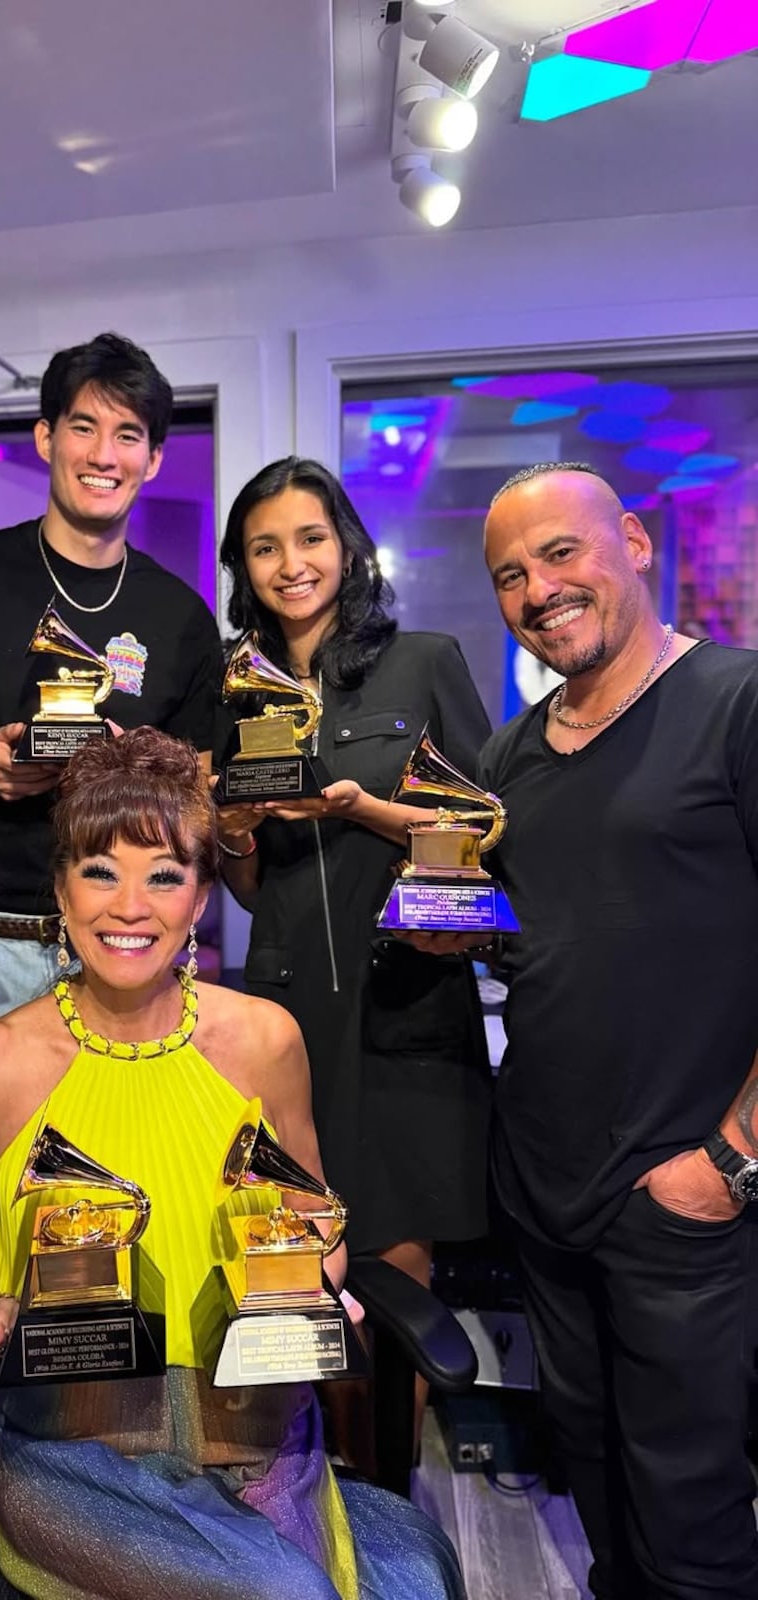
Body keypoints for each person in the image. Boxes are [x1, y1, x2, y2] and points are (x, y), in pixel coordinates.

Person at [0, 728, 465, 1600]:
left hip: (258, 1427)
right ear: (59, 887)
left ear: (202, 897)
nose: (131, 906)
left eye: (164, 874)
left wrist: (314, 1280)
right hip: (74, 1448)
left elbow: (313, 1224)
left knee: (419, 1579)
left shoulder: (264, 1043)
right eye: (100, 871)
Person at [0, 331, 222, 1564]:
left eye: (131, 434)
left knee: (117, 1214)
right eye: (85, 425)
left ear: (152, 457)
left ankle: (118, 1450)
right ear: (45, 437)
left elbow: (200, 794)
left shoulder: (181, 620)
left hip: (128, 958)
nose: (106, 452)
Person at [437, 462, 758, 1598]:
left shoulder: (736, 700)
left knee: (694, 1507)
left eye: (561, 554)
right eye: (510, 575)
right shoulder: (509, 759)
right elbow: (546, 939)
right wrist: (451, 933)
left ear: (632, 541)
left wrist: (733, 1156)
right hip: (546, 1188)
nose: (538, 589)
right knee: (596, 1478)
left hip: (682, 1192)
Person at [214, 459, 493, 1423]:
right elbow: (247, 886)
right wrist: (237, 834)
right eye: (264, 548)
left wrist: (362, 805)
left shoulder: (424, 659)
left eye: (310, 538)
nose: (290, 564)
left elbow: (484, 828)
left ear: (347, 545)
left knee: (398, 1253)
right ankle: (322, 1472)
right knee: (301, 1246)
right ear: (241, 567)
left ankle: (391, 1482)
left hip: (407, 991)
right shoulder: (237, 686)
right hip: (286, 1005)